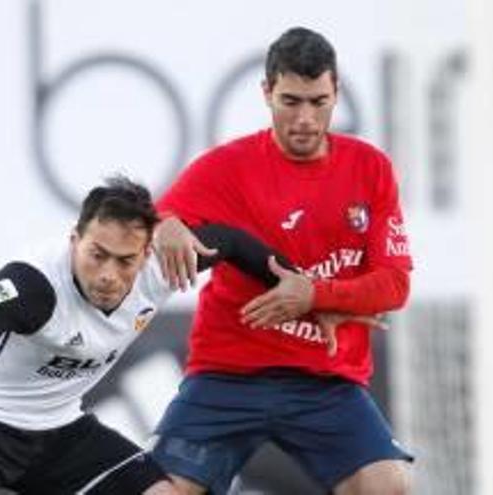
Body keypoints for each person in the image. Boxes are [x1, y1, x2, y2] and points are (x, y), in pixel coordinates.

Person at [0, 176, 297, 495]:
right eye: (96, 254)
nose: (108, 274)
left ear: (146, 252)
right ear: (74, 240)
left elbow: (232, 244)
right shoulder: (35, 286)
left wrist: (305, 292)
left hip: (58, 427)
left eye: (124, 260)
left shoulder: (162, 268)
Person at [150, 27, 414, 495]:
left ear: (336, 93)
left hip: (325, 383)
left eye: (319, 101)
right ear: (267, 92)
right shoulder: (227, 168)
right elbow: (155, 217)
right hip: (226, 376)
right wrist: (164, 223)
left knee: (388, 486)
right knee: (160, 491)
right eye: (291, 101)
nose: (306, 119)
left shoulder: (369, 168)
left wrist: (314, 295)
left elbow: (394, 285)